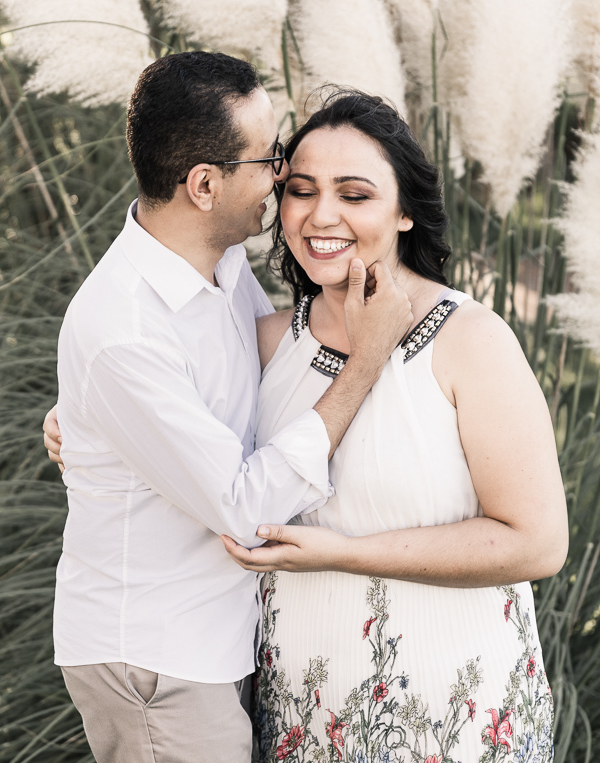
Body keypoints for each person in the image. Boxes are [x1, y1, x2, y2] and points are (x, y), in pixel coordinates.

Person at [43, 58, 413, 763]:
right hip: (159, 656)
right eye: (269, 158)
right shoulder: (123, 330)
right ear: (205, 185)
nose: (280, 175)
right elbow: (244, 506)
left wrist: (81, 417)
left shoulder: (218, 262)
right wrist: (365, 363)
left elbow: (256, 376)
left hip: (212, 636)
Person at [221, 89, 569, 762]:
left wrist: (343, 554)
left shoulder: (470, 340)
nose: (322, 215)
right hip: (306, 722)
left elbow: (538, 543)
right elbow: (145, 397)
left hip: (458, 722)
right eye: (301, 189)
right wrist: (78, 424)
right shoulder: (259, 343)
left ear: (405, 211)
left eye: (355, 194)